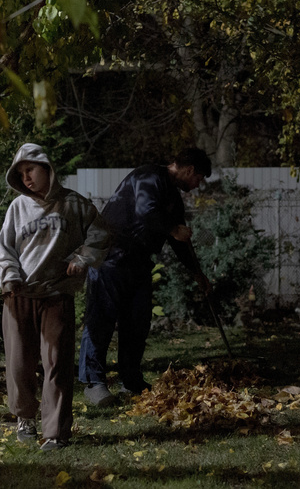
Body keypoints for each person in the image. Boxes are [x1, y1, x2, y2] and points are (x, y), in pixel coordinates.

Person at [78, 147, 212, 406]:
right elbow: (145, 212)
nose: (198, 185)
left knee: (137, 322)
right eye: (199, 178)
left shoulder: (173, 196)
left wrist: (198, 274)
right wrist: (173, 229)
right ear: (189, 170)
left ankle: (132, 381)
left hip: (138, 262)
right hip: (111, 257)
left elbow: (179, 241)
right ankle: (94, 383)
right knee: (101, 319)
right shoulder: (149, 177)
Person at [0, 143, 110, 450]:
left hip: (56, 295)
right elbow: (6, 251)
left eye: (30, 170)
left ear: (47, 168)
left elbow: (101, 234)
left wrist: (82, 258)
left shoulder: (73, 204)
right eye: (21, 174)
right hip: (20, 295)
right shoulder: (17, 208)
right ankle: (25, 417)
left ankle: (55, 432)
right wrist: (10, 278)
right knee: (19, 364)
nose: (27, 178)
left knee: (56, 363)